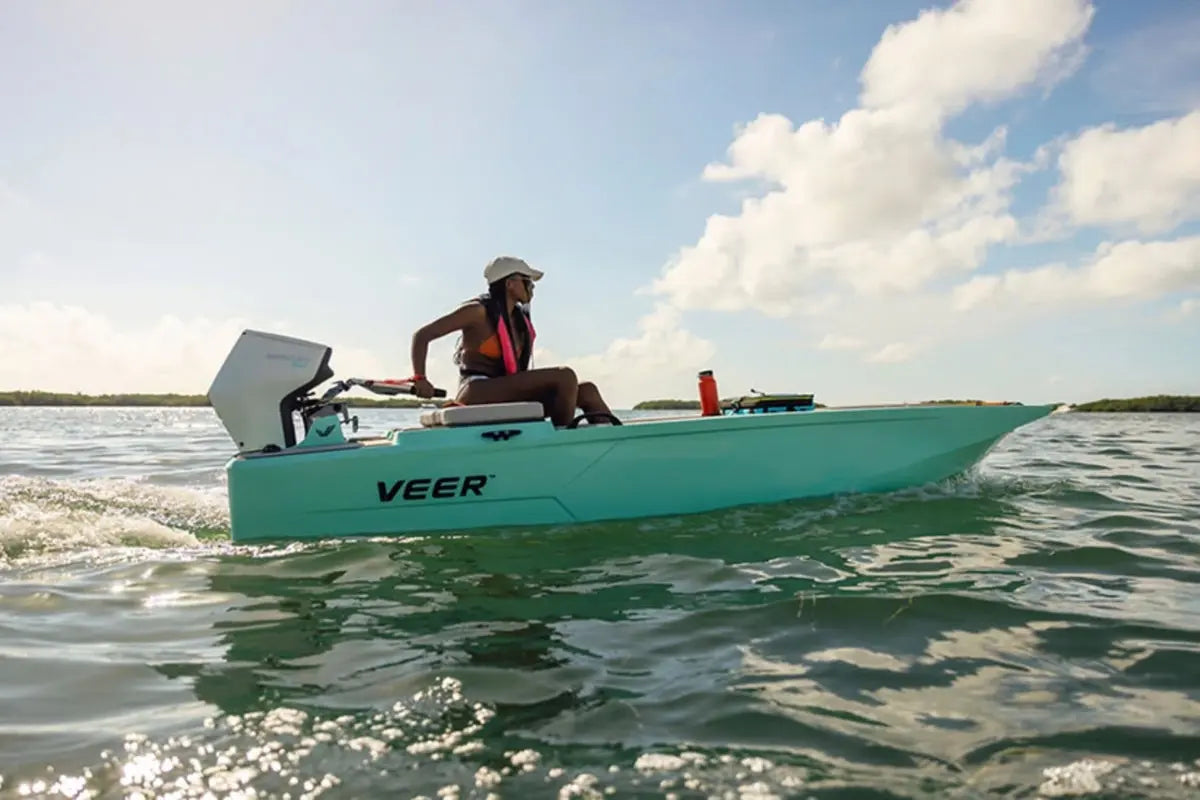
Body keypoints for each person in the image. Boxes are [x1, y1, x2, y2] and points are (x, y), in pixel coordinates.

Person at [407, 256, 616, 427]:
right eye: (527, 281)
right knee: (565, 376)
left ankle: (618, 445)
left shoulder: (518, 319)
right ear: (510, 284)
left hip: (506, 391)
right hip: (477, 391)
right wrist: (420, 378)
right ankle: (561, 442)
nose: (532, 287)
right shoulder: (477, 311)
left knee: (587, 390)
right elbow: (422, 335)